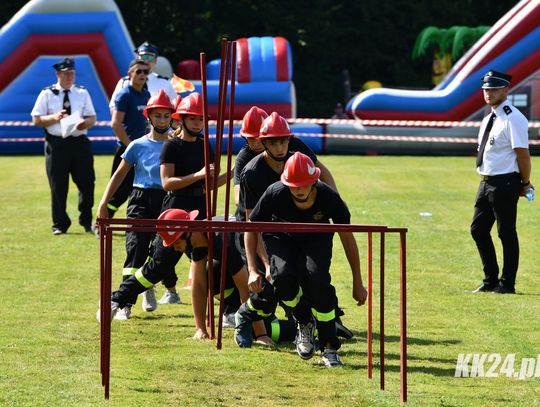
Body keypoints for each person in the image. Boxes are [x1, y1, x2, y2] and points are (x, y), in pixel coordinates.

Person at [241, 152, 367, 368]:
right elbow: (251, 229)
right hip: (281, 237)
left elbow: (347, 238)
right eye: (293, 185)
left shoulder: (329, 198)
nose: (298, 189)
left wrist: (358, 282)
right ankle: (304, 320)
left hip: (316, 237)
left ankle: (329, 348)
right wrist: (253, 269)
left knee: (317, 279)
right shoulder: (274, 193)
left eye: (304, 184)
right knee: (282, 278)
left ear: (314, 182)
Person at [96, 90, 175, 319]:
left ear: (171, 118)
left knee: (160, 250)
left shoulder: (175, 145)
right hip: (140, 199)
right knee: (135, 248)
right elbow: (119, 176)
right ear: (148, 117)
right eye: (157, 116)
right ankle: (125, 304)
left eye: (166, 116)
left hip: (166, 200)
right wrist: (104, 203)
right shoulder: (137, 145)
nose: (162, 120)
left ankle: (147, 286)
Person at [470, 70, 532, 295]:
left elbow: (522, 154)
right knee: (478, 230)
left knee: (506, 233)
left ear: (506, 90)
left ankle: (507, 284)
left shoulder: (512, 117)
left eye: (494, 88)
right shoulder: (489, 118)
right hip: (486, 181)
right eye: (486, 89)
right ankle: (490, 280)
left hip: (505, 182)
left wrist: (525, 183)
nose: (489, 93)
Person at [31, 57, 97, 235]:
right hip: (57, 143)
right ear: (58, 74)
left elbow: (92, 117)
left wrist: (85, 124)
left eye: (72, 74)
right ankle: (60, 224)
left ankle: (86, 221)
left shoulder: (82, 92)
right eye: (66, 74)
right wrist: (54, 117)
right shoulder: (47, 93)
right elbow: (36, 119)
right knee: (58, 185)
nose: (69, 77)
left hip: (79, 142)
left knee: (87, 183)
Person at [106, 60, 152, 218]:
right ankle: (101, 221)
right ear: (130, 73)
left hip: (145, 151)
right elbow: (115, 124)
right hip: (127, 149)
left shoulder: (146, 95)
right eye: (138, 71)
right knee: (118, 190)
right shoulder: (124, 94)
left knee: (141, 189)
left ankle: (137, 222)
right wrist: (130, 146)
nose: (142, 75)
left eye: (145, 72)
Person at [109, 41, 177, 109]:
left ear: (155, 61)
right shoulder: (125, 82)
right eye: (144, 57)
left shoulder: (165, 83)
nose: (146, 61)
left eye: (150, 58)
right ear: (137, 58)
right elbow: (113, 106)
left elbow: (175, 107)